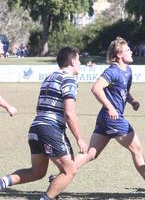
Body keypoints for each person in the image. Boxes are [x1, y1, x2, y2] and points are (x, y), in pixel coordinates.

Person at [74, 36, 145, 197]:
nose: (131, 51)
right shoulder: (112, 71)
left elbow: (123, 92)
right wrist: (111, 108)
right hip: (112, 118)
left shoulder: (128, 71)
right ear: (119, 54)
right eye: (127, 50)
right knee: (137, 148)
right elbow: (96, 88)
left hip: (106, 119)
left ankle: (61, 176)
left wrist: (132, 101)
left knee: (91, 154)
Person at [0, 47, 87, 200]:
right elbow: (69, 113)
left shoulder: (50, 77)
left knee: (37, 171)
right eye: (79, 60)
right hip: (50, 129)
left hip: (36, 127)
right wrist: (79, 138)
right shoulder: (69, 80)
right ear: (73, 61)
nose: (80, 63)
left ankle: (2, 183)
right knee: (70, 170)